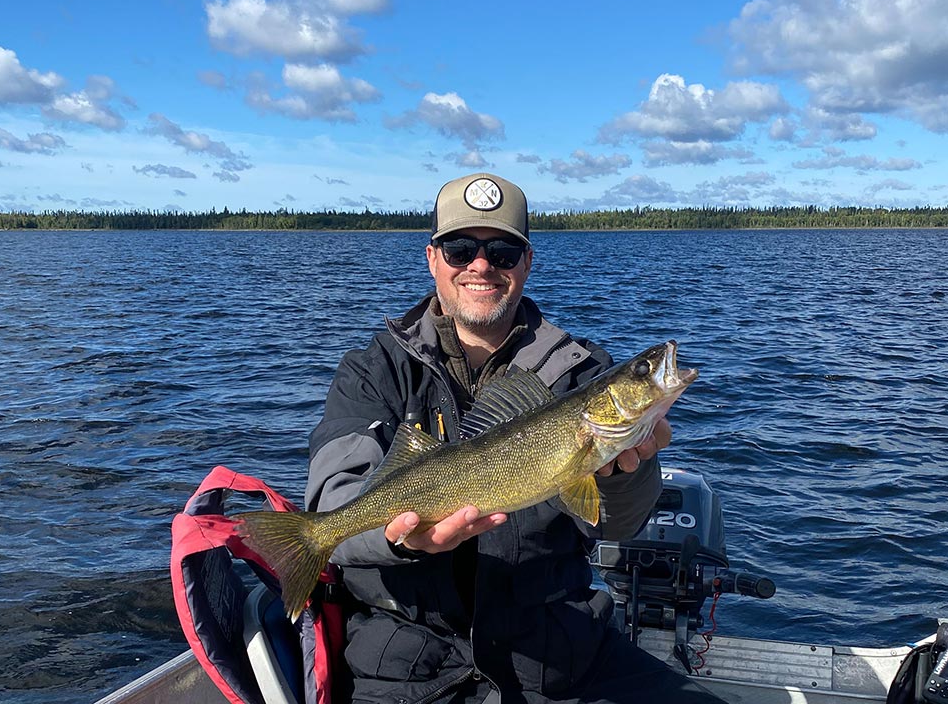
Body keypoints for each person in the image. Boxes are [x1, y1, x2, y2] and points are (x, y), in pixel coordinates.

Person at [305, 173, 723, 704]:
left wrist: (630, 472)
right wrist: (397, 538)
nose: (481, 265)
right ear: (433, 258)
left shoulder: (579, 374)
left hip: (556, 652)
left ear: (526, 263)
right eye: (460, 249)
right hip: (404, 660)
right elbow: (334, 504)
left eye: (503, 251)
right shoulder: (372, 373)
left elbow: (615, 522)